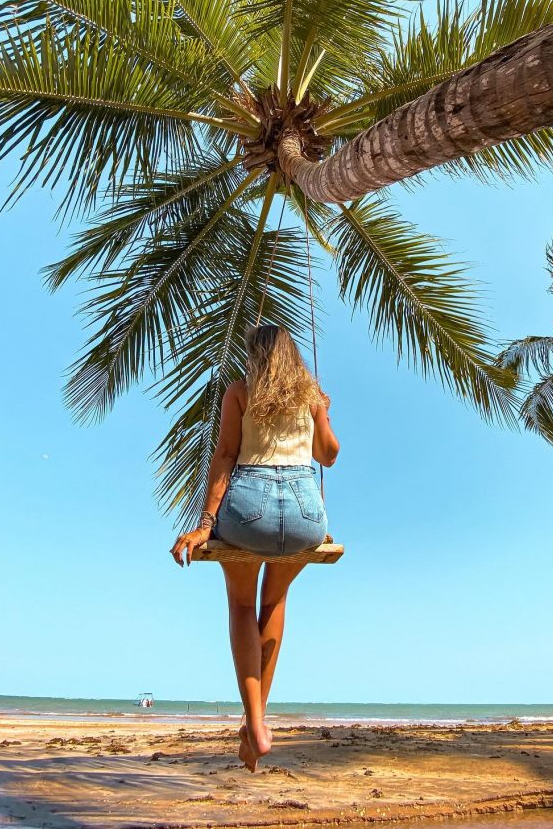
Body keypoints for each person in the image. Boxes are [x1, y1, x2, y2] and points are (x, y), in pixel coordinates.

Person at [170, 324, 340, 771]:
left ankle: (256, 724)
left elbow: (225, 455)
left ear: (255, 356)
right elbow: (328, 455)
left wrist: (205, 524)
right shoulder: (310, 395)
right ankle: (257, 727)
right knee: (276, 599)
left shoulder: (240, 392)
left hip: (250, 510)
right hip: (306, 516)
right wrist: (323, 412)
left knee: (243, 607)